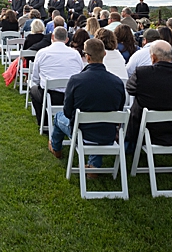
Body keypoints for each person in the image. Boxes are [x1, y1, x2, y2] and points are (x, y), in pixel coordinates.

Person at [48, 38, 127, 166]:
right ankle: (93, 166)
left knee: (58, 117)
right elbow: (119, 109)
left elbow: (67, 112)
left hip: (82, 133)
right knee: (100, 121)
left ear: (87, 57)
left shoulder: (76, 80)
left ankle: (56, 148)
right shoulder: (117, 82)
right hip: (107, 134)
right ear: (104, 54)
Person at [125, 40, 172, 149]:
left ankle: (128, 147)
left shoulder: (142, 73)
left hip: (146, 132)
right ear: (171, 57)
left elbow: (130, 89)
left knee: (137, 103)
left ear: (152, 57)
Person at [28, 26, 84, 121]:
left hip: (50, 95)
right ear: (67, 40)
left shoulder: (42, 53)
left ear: (52, 37)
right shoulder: (75, 54)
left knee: (33, 89)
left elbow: (35, 78)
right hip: (71, 95)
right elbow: (81, 72)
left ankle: (44, 121)